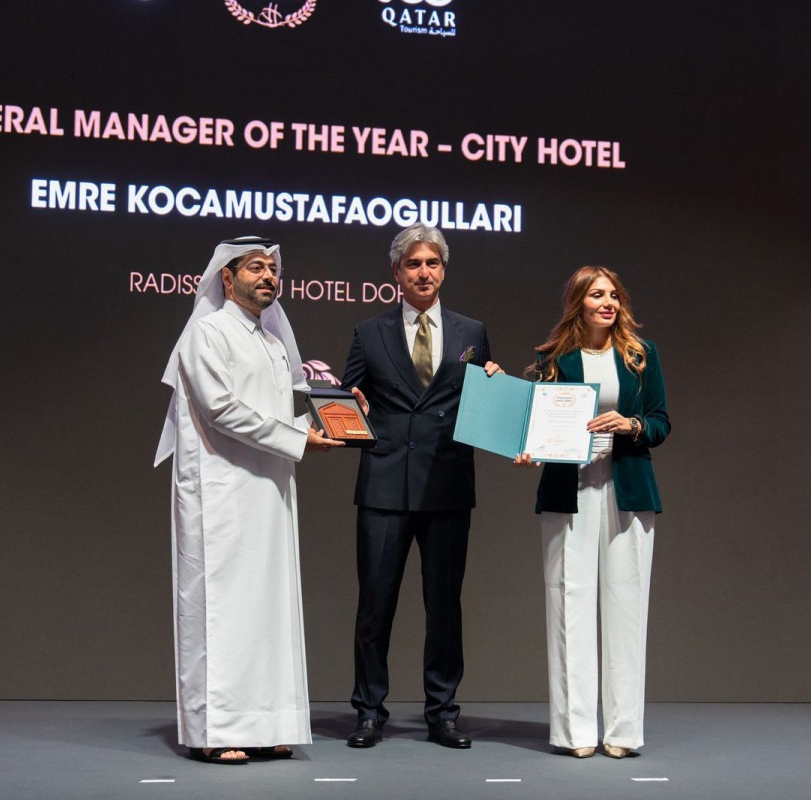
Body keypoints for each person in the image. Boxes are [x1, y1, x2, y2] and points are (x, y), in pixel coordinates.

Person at [154, 236, 344, 765]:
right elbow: (221, 409)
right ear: (227, 277)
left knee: (268, 609)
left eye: (273, 270)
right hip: (219, 491)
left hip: (269, 490)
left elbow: (279, 414)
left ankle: (266, 726)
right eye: (256, 267)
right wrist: (298, 437)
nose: (268, 276)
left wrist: (332, 419)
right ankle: (215, 731)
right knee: (221, 609)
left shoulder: (275, 343)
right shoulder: (206, 332)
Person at [340, 224, 501, 749]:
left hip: (447, 485)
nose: (424, 272)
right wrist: (350, 404)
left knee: (445, 607)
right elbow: (347, 397)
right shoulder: (369, 332)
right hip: (384, 486)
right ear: (396, 272)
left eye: (432, 263)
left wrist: (495, 388)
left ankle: (443, 713)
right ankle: (369, 711)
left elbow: (479, 403)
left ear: (443, 271)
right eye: (414, 264)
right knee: (375, 606)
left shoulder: (472, 331)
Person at [516, 266, 669, 760]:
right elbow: (534, 423)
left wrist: (632, 424)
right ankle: (575, 731)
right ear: (578, 302)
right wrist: (529, 448)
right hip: (569, 491)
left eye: (614, 295)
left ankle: (622, 732)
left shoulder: (641, 355)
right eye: (597, 294)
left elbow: (661, 421)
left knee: (627, 608)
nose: (608, 303)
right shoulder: (552, 357)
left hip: (627, 491)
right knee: (568, 604)